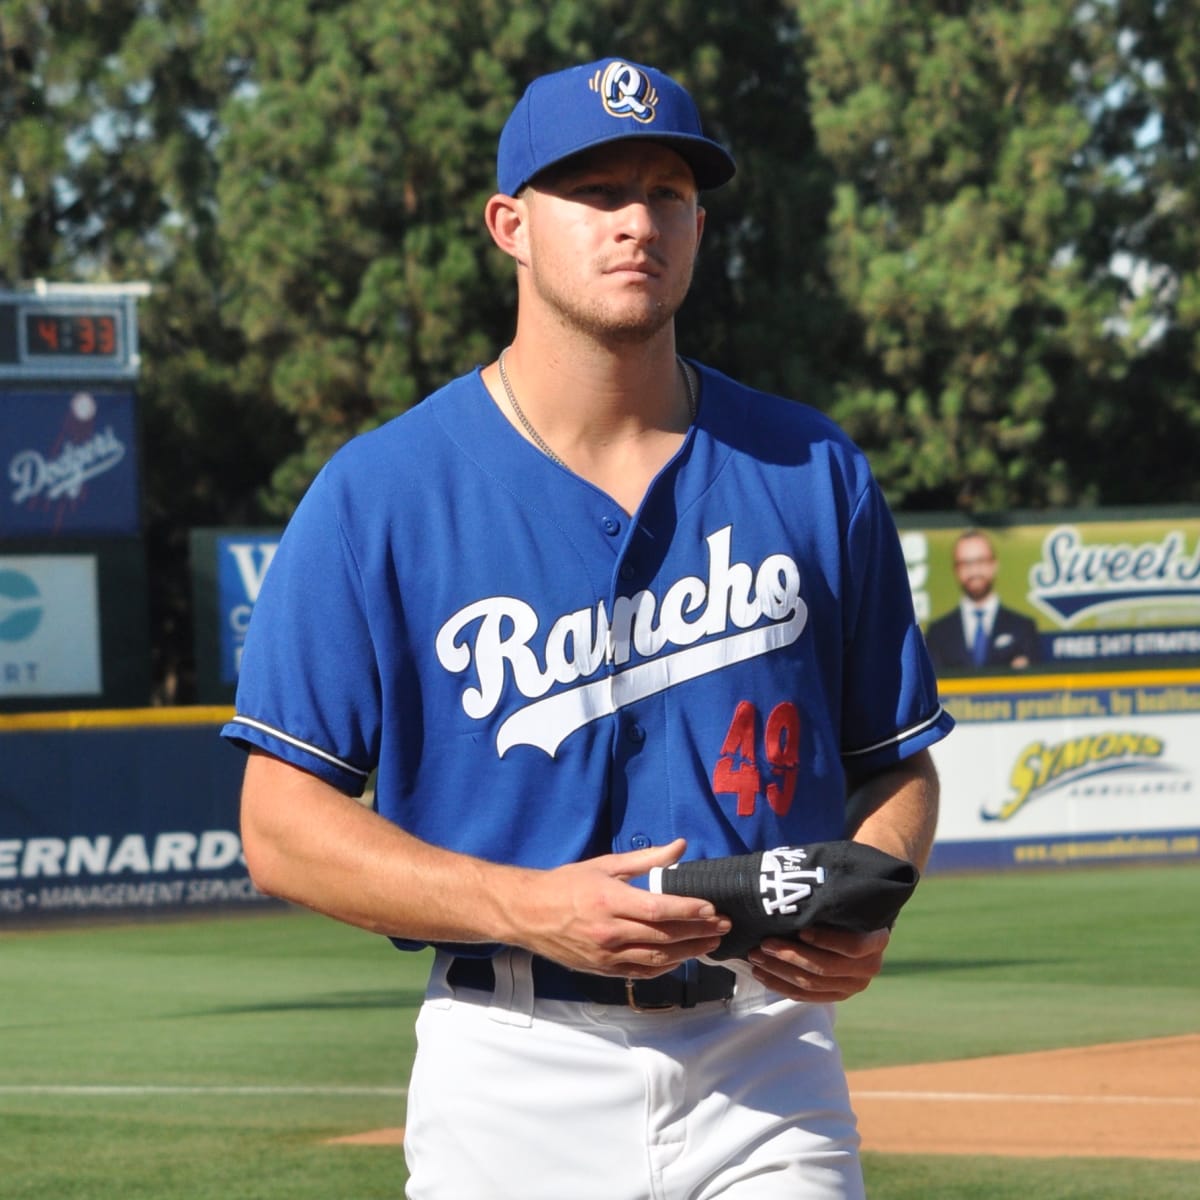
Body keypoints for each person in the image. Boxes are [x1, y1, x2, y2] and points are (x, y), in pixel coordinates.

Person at [223, 56, 954, 1200]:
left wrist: (874, 895)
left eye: (667, 192)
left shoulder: (812, 469)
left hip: (763, 1060)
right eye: (597, 192)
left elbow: (895, 770)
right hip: (512, 1064)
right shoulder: (384, 492)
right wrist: (527, 906)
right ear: (511, 225)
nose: (637, 223)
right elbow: (278, 825)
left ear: (699, 225)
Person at [924, 529, 1040, 671]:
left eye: (980, 561)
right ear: (955, 570)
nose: (974, 571)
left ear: (994, 564)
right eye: (965, 563)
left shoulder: (1023, 628)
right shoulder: (938, 633)